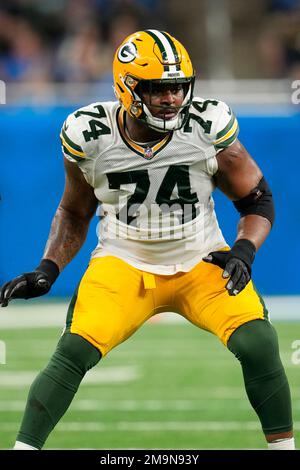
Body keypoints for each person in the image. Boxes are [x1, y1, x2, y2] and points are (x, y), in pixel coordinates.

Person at [0, 29, 295, 450]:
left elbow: (257, 199)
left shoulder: (207, 126)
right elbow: (74, 211)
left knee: (259, 342)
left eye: (178, 87)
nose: (173, 98)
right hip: (124, 260)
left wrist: (244, 250)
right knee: (74, 352)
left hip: (202, 258)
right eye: (159, 89)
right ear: (128, 87)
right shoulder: (90, 134)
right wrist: (48, 268)